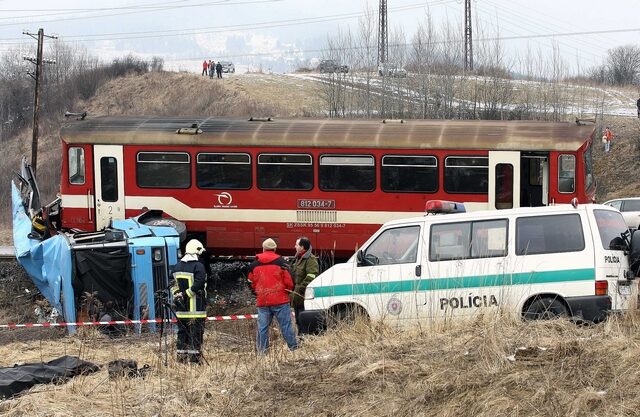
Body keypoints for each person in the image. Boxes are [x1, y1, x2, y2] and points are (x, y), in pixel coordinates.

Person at [248, 238, 298, 354]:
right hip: (280, 300)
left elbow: (250, 282)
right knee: (286, 327)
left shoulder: (254, 265)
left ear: (263, 249)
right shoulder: (282, 263)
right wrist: (287, 292)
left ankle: (262, 354)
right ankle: (294, 350)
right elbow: (290, 282)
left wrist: (257, 293)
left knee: (262, 329)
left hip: (263, 301)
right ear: (275, 249)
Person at [171, 239, 208, 364]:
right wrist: (187, 294)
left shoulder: (177, 266)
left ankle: (181, 359)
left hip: (181, 309)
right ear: (196, 251)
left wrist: (178, 294)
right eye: (199, 253)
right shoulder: (198, 266)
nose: (199, 256)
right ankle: (194, 360)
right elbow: (199, 283)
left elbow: (173, 285)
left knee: (182, 334)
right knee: (196, 335)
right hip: (196, 309)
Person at [289, 236, 319, 336]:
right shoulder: (298, 258)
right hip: (297, 297)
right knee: (298, 321)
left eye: (297, 244)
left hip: (303, 296)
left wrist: (301, 289)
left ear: (302, 247)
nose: (295, 246)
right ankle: (301, 340)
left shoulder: (310, 259)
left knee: (304, 321)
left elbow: (312, 275)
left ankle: (305, 340)